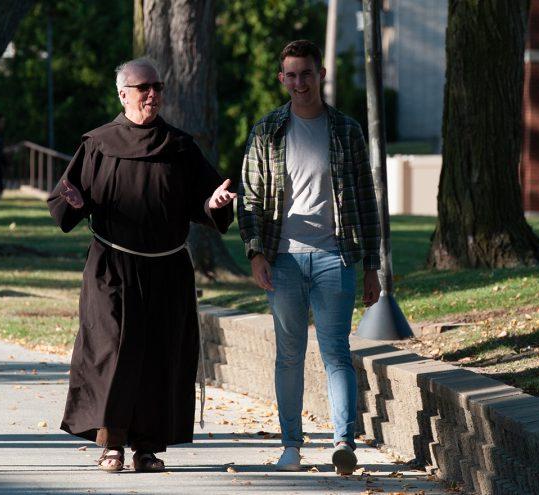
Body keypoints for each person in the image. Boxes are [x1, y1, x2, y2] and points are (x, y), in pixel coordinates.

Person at [48, 58, 236, 473]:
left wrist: (214, 203)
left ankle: (147, 447)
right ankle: (112, 442)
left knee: (158, 355)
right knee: (113, 351)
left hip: (166, 269)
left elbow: (205, 201)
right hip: (111, 267)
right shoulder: (98, 143)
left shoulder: (180, 147)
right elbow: (64, 200)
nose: (153, 94)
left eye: (158, 86)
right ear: (123, 94)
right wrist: (73, 202)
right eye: (143, 87)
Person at [237, 39, 381, 475]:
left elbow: (364, 200)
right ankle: (291, 446)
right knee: (288, 355)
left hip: (335, 259)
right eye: (292, 75)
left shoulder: (346, 130)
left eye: (307, 73)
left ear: (321, 75)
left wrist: (371, 265)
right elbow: (251, 198)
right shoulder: (268, 131)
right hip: (283, 260)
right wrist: (256, 253)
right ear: (282, 79)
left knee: (336, 352)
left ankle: (343, 443)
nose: (300, 82)